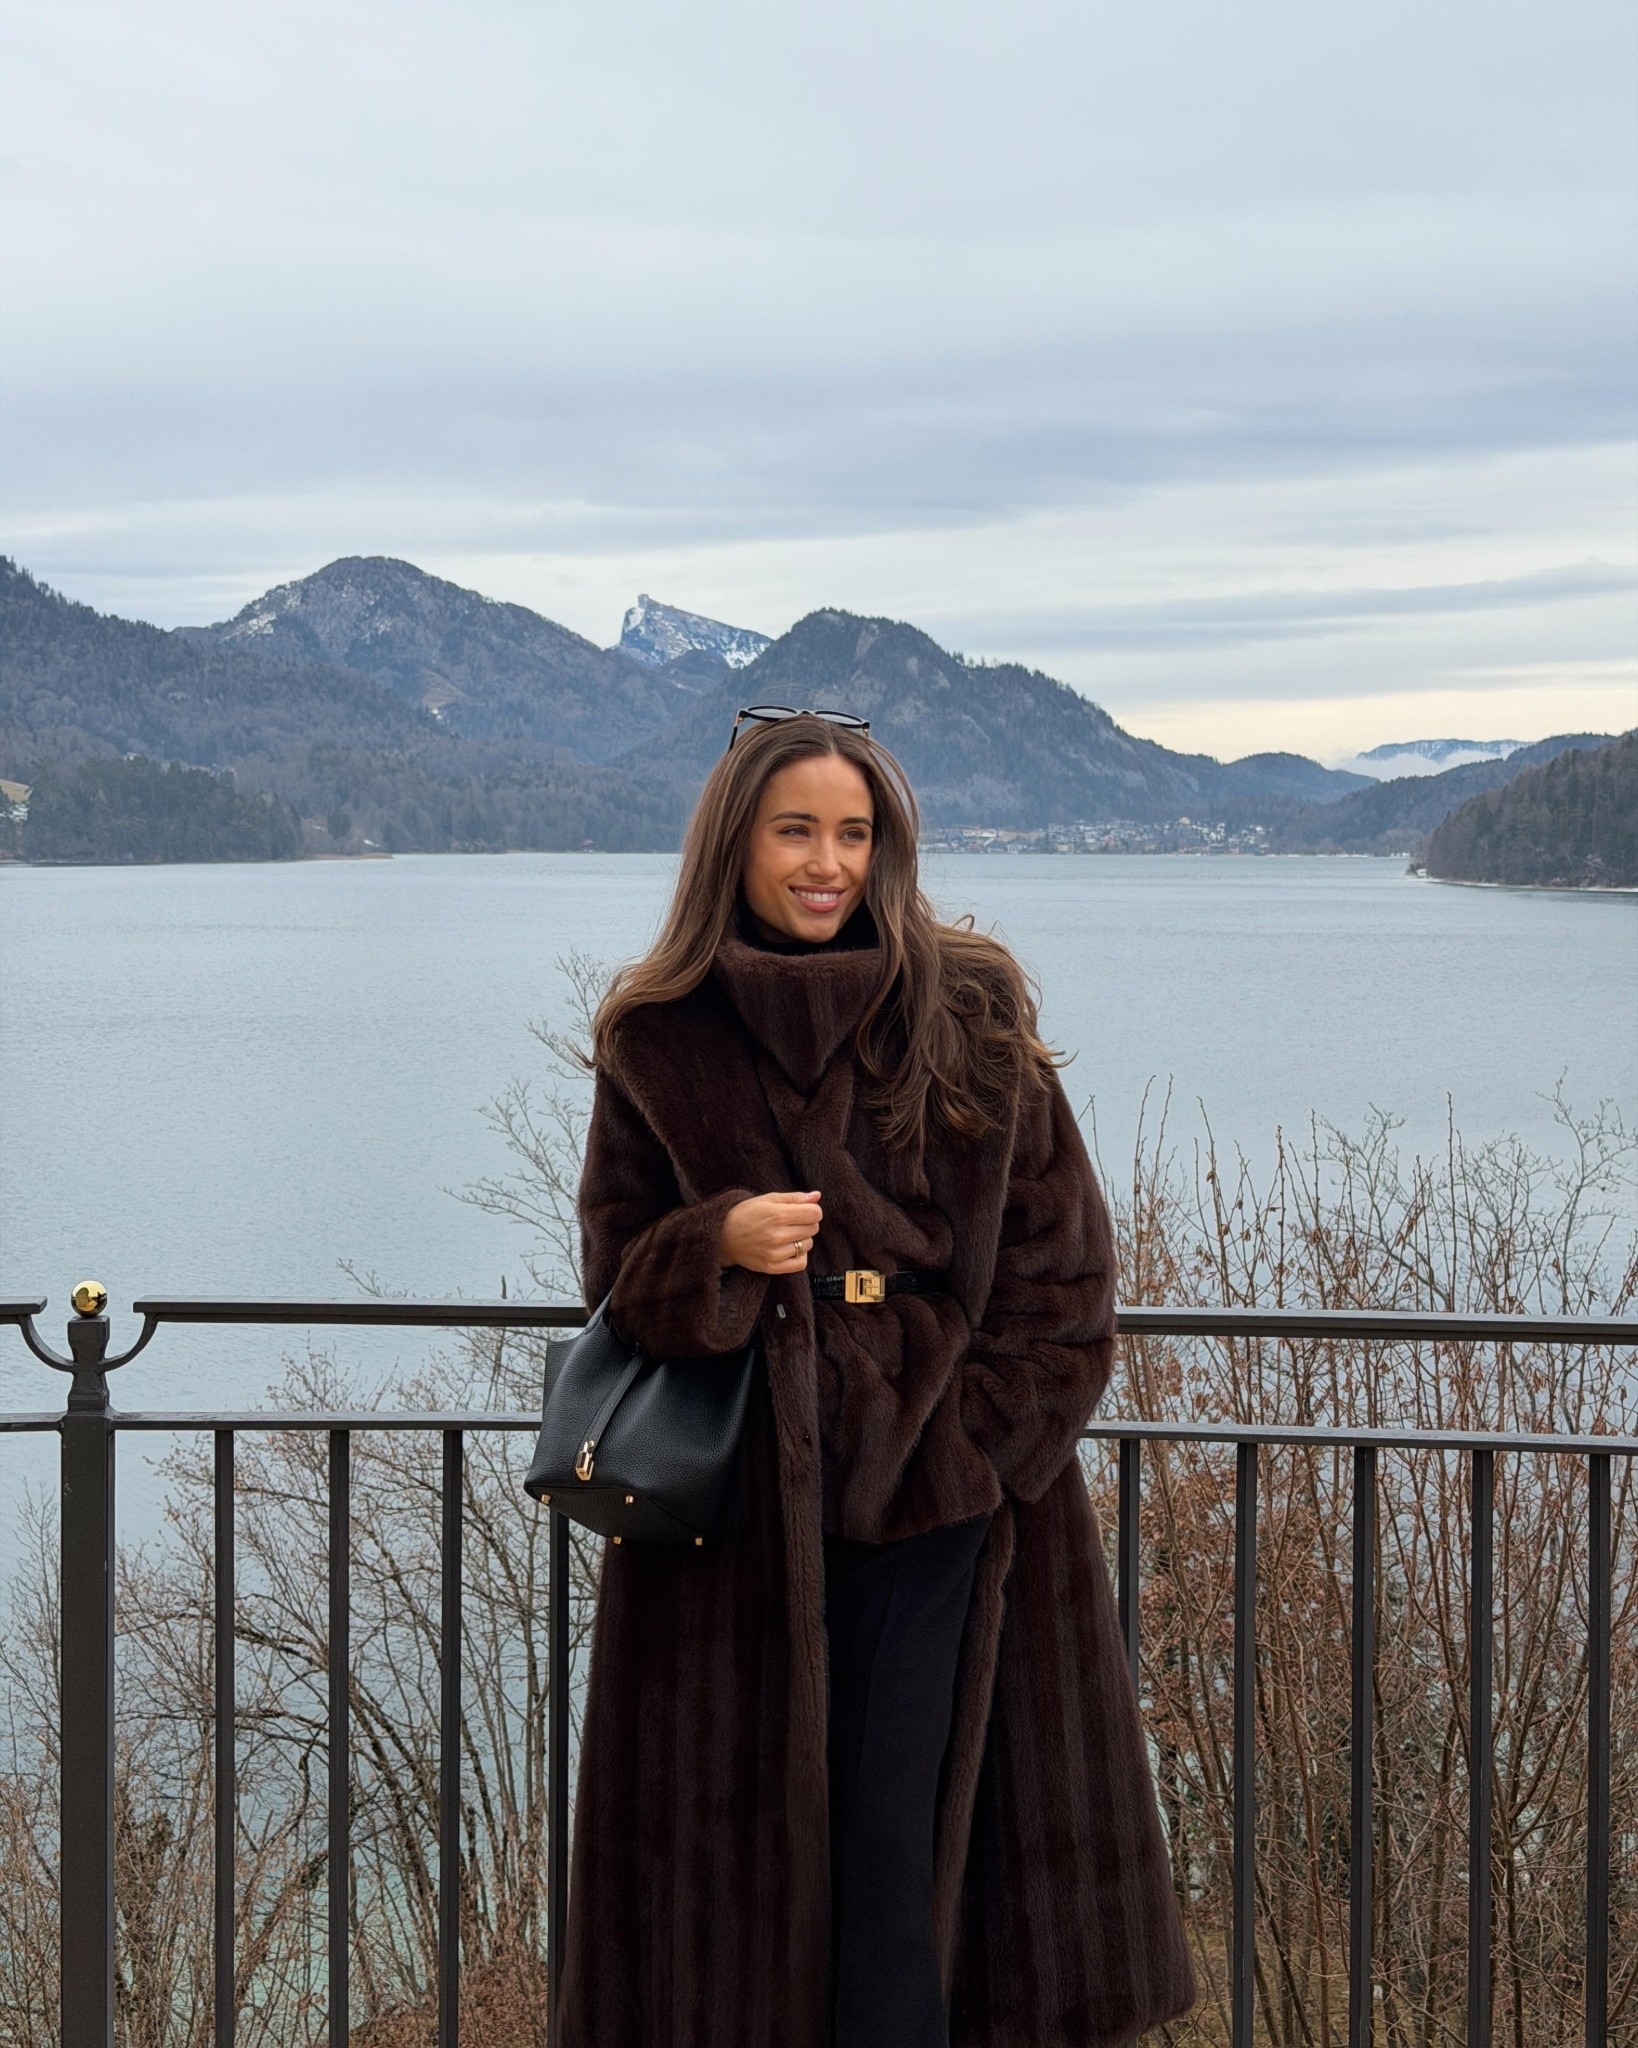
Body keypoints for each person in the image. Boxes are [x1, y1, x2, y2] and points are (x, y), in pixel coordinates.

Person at [557, 707, 1195, 2048]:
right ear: (735, 843)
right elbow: (617, 1277)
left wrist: (968, 1454)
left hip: (942, 1518)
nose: (824, 863)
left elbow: (1065, 1282)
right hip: (729, 1527)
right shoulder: (660, 1033)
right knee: (745, 1890)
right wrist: (713, 1246)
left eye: (853, 834)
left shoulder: (962, 1009)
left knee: (909, 1880)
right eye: (795, 831)